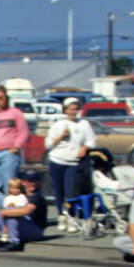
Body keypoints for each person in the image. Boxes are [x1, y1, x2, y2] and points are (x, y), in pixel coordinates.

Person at [45, 98, 96, 231]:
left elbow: (92, 141)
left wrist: (84, 148)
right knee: (58, 190)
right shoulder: (58, 124)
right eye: (71, 109)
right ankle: (61, 215)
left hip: (72, 162)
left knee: (71, 192)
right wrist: (61, 136)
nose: (74, 111)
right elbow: (48, 145)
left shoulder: (84, 124)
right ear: (65, 110)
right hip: (56, 160)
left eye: (76, 108)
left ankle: (71, 217)